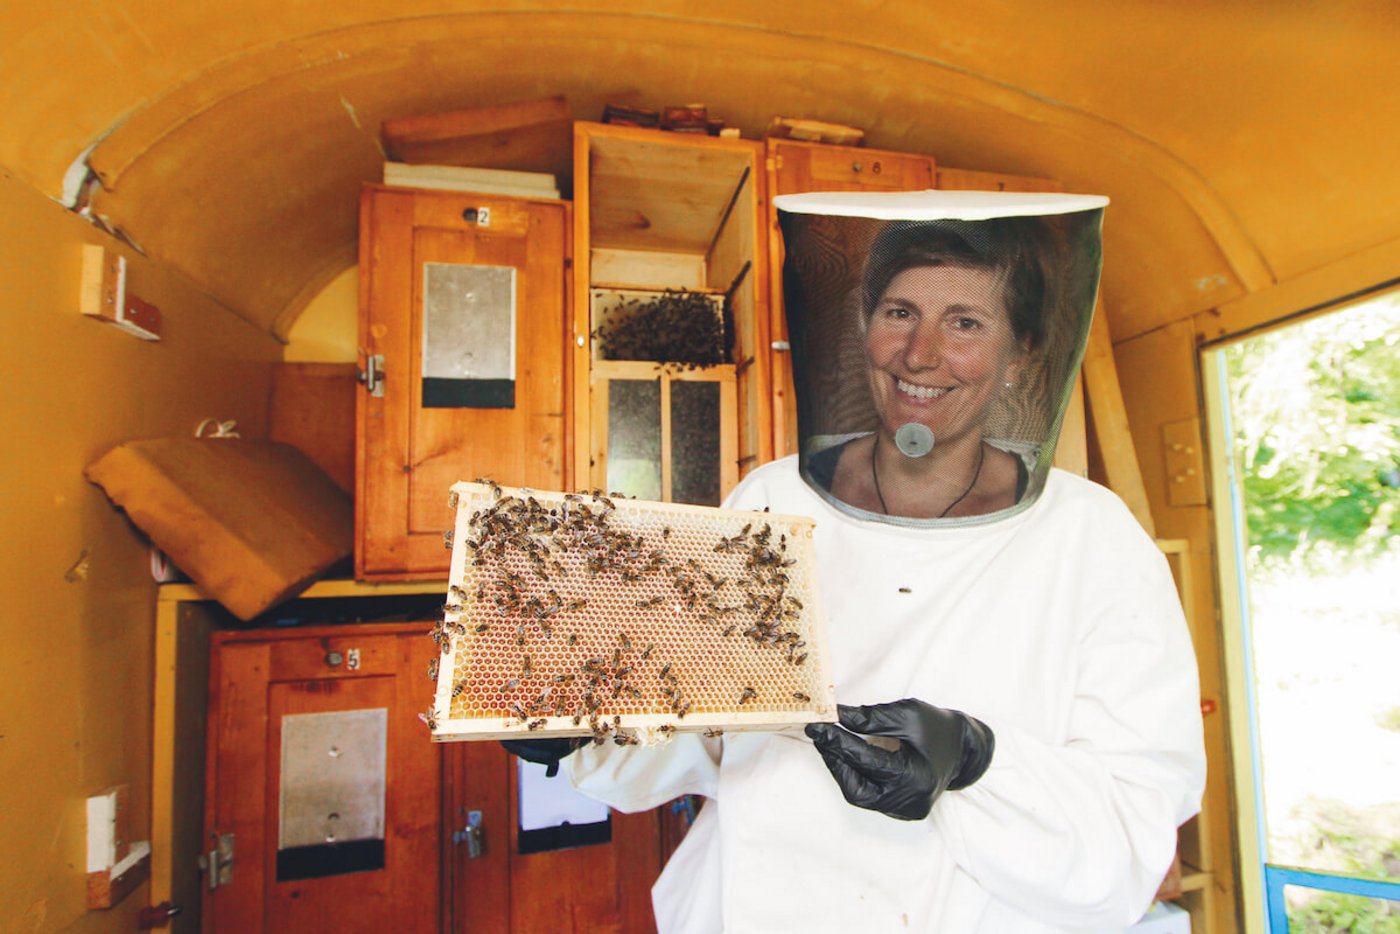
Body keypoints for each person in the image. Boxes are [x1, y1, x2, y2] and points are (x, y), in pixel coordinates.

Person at [519, 191, 1206, 932]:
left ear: (1021, 357)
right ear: (862, 330)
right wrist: (587, 733)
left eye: (965, 323)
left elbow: (1130, 840)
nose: (920, 354)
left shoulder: (1094, 539)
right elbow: (709, 744)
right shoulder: (770, 500)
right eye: (900, 312)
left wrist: (976, 761)